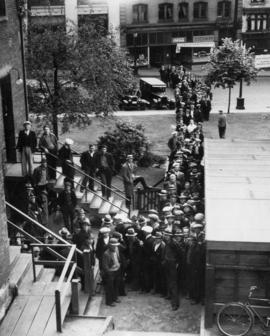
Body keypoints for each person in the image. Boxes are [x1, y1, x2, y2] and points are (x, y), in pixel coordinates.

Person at [102, 238, 121, 306]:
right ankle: (109, 301)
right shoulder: (106, 254)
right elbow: (105, 266)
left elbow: (118, 259)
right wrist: (109, 273)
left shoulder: (116, 250)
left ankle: (115, 298)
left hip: (116, 271)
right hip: (110, 273)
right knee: (109, 288)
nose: (115, 247)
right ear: (110, 245)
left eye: (116, 245)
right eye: (113, 245)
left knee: (116, 286)